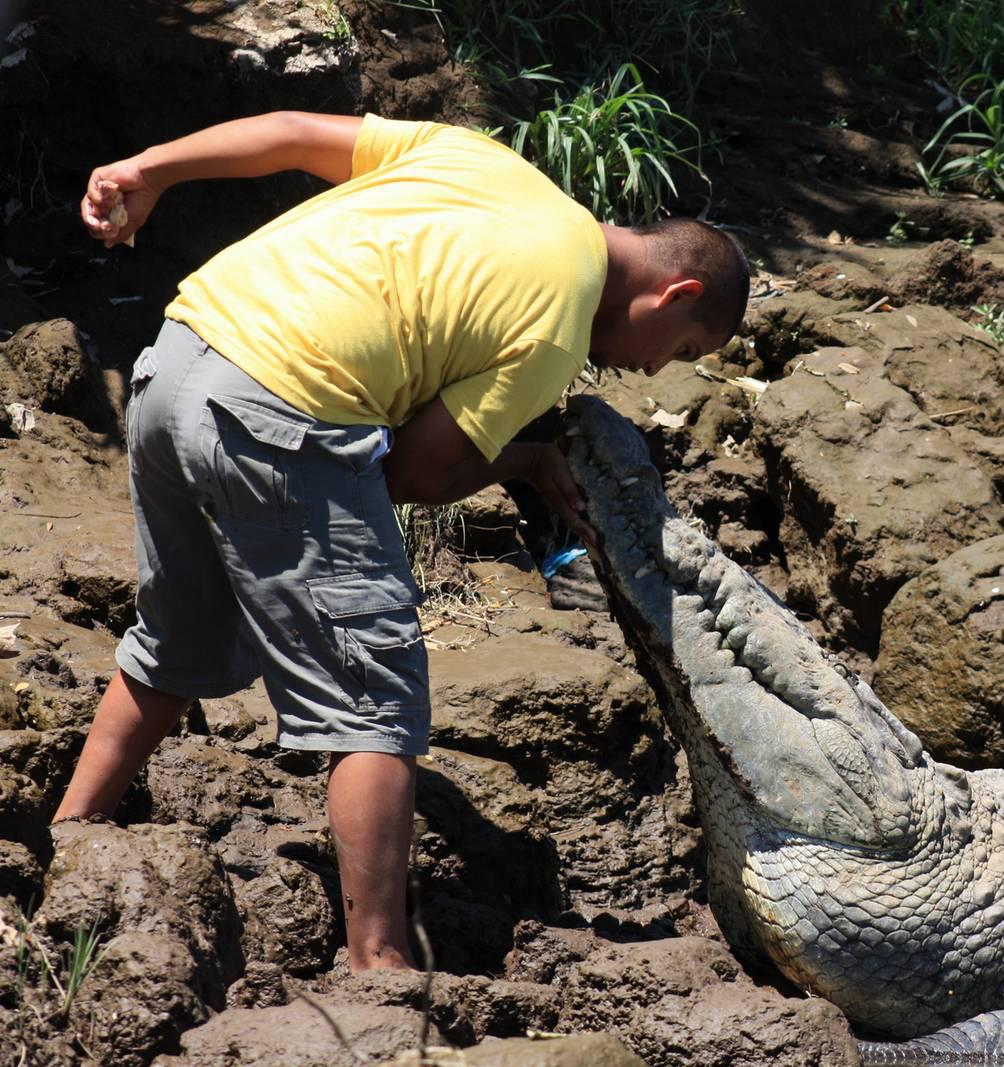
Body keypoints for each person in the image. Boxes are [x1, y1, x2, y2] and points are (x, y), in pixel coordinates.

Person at [53, 110, 749, 971]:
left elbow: (290, 132)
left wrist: (148, 164)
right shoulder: (557, 323)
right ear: (675, 294)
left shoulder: (488, 161)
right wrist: (519, 460)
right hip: (279, 407)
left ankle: (69, 842)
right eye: (676, 350)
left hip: (177, 361)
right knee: (377, 703)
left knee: (176, 641)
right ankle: (379, 966)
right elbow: (417, 472)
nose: (650, 371)